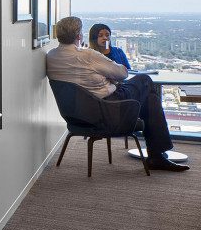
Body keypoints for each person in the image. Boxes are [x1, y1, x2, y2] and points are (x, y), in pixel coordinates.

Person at [46, 16, 188, 172]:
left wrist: (102, 77)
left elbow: (78, 78)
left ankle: (156, 155)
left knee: (148, 99)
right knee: (145, 81)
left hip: (76, 116)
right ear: (79, 36)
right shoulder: (87, 55)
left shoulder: (51, 56)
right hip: (108, 110)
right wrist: (108, 77)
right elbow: (122, 73)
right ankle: (156, 155)